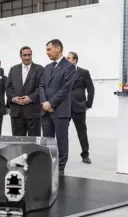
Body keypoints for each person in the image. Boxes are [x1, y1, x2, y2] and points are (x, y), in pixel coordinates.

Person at [39, 39, 76, 176]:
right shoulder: (47, 67)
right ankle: (48, 165)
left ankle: (60, 168)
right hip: (46, 110)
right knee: (47, 141)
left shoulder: (69, 67)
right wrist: (44, 102)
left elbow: (65, 89)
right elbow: (41, 85)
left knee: (61, 141)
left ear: (58, 49)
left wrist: (51, 103)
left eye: (49, 49)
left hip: (60, 111)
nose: (47, 52)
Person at [6, 46, 44, 136]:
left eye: (29, 55)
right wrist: (14, 98)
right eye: (24, 55)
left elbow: (41, 88)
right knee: (18, 142)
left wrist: (30, 98)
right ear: (20, 56)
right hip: (16, 112)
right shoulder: (13, 69)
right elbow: (8, 87)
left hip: (33, 112)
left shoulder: (40, 69)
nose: (27, 57)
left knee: (34, 142)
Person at [67, 51, 95, 164]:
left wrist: (88, 104)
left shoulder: (83, 72)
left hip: (79, 107)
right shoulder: (62, 72)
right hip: (65, 107)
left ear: (75, 60)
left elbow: (91, 89)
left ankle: (85, 155)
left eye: (68, 58)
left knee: (82, 131)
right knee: (62, 132)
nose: (66, 60)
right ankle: (61, 154)